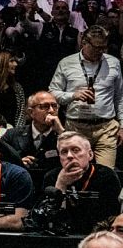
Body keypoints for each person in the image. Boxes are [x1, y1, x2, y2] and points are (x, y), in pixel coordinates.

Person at [49, 25, 123, 167]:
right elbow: (52, 93)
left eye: (104, 47)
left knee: (107, 174)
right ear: (84, 42)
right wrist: (73, 95)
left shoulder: (114, 63)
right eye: (96, 47)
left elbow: (120, 97)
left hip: (106, 128)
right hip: (76, 126)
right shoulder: (66, 63)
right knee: (76, 170)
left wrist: (122, 125)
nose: (101, 51)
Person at [41, 131, 123, 235]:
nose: (70, 156)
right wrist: (61, 185)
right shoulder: (52, 177)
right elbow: (49, 219)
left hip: (97, 235)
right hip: (61, 236)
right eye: (64, 152)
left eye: (76, 150)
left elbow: (111, 218)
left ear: (90, 155)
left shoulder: (106, 176)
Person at [2, 91, 64, 188]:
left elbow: (75, 157)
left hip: (52, 187)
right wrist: (18, 163)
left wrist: (60, 130)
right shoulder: (12, 135)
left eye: (54, 106)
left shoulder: (62, 135)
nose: (51, 111)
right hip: (20, 186)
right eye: (45, 106)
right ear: (31, 112)